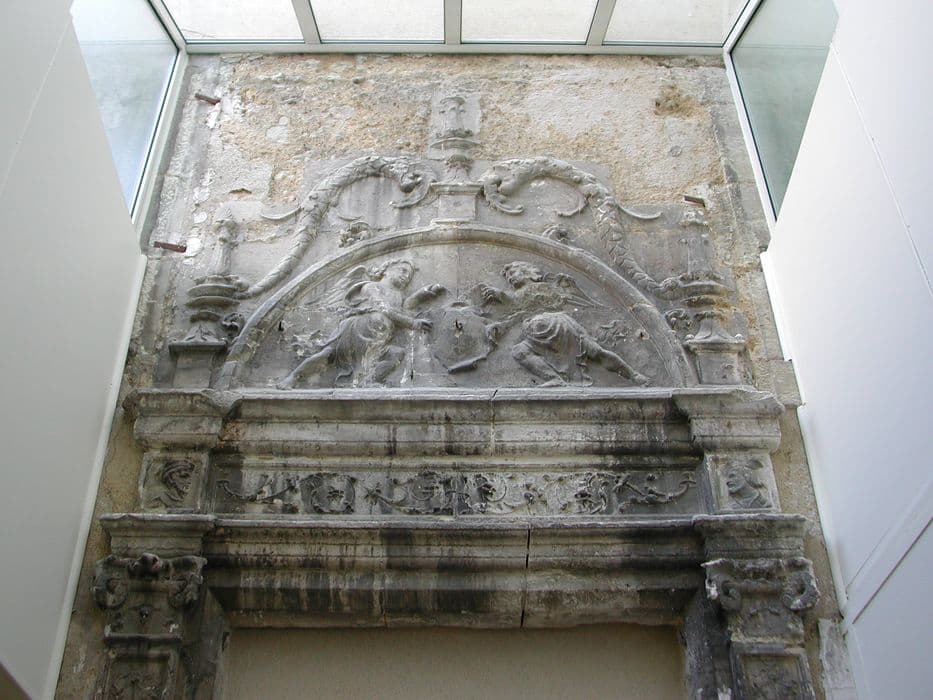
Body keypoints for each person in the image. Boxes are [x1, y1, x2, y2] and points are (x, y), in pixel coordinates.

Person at [277, 259, 443, 388]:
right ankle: (294, 377)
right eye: (403, 270)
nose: (406, 276)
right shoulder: (371, 287)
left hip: (378, 340)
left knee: (396, 354)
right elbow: (383, 307)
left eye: (409, 275)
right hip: (356, 331)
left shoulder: (398, 295)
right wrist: (412, 323)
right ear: (385, 270)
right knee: (327, 355)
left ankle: (369, 380)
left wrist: (421, 295)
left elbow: (403, 308)